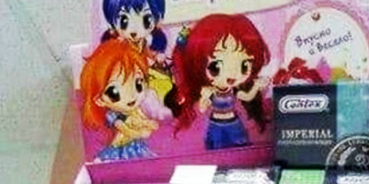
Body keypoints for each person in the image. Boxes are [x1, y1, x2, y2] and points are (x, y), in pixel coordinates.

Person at [173, 13, 269, 149]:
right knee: (218, 150)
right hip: (216, 124)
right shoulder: (211, 91)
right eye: (216, 67)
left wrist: (256, 87)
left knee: (240, 147)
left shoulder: (233, 90)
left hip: (234, 122)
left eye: (244, 66)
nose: (232, 75)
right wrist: (204, 99)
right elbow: (201, 109)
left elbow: (246, 96)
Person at [80, 39, 159, 160]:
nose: (131, 95)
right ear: (99, 100)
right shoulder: (113, 116)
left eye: (138, 83)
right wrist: (140, 133)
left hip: (137, 147)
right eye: (114, 92)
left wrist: (148, 124)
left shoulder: (135, 110)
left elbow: (141, 120)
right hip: (119, 151)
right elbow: (125, 130)